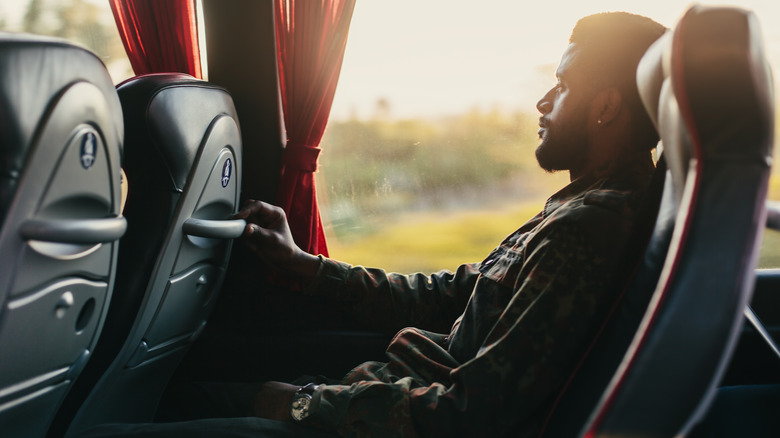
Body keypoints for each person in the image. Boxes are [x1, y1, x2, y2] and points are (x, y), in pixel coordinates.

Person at [77, 11, 666, 438]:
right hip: (381, 392)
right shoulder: (584, 206)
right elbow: (453, 296)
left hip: (375, 420)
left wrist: (309, 407)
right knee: (177, 392)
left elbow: (472, 415)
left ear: (606, 107)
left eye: (562, 86)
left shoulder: (586, 231)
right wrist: (308, 269)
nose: (543, 100)